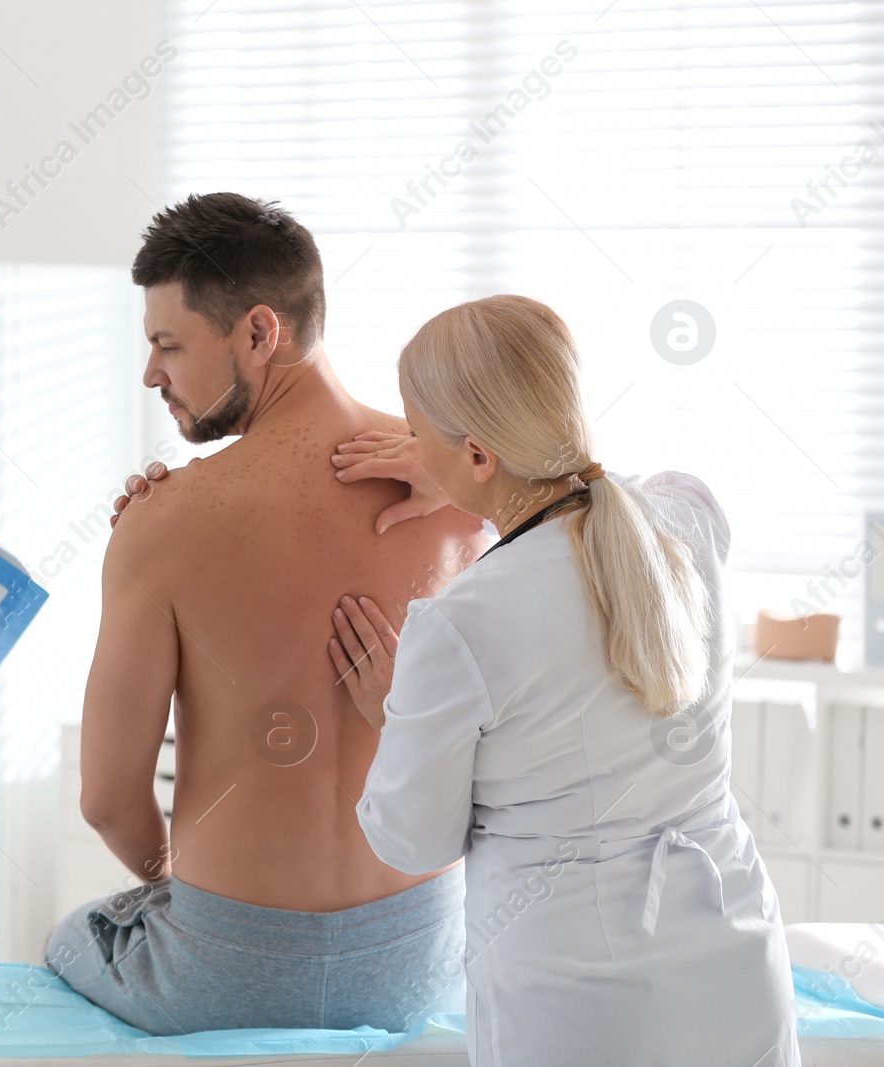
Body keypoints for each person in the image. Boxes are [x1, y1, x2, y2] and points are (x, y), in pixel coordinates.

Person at [44, 193, 493, 1036]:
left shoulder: (163, 522)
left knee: (72, 934)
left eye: (167, 345)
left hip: (227, 971)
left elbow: (107, 797)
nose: (151, 375)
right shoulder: (465, 485)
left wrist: (174, 886)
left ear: (258, 332)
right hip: (420, 954)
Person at [329, 295, 798, 1065]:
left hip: (577, 1005)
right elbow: (586, 517)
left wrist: (394, 714)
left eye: (418, 433)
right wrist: (486, 486)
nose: (411, 446)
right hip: (735, 961)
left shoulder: (458, 624)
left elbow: (412, 839)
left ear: (479, 453)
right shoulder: (687, 518)